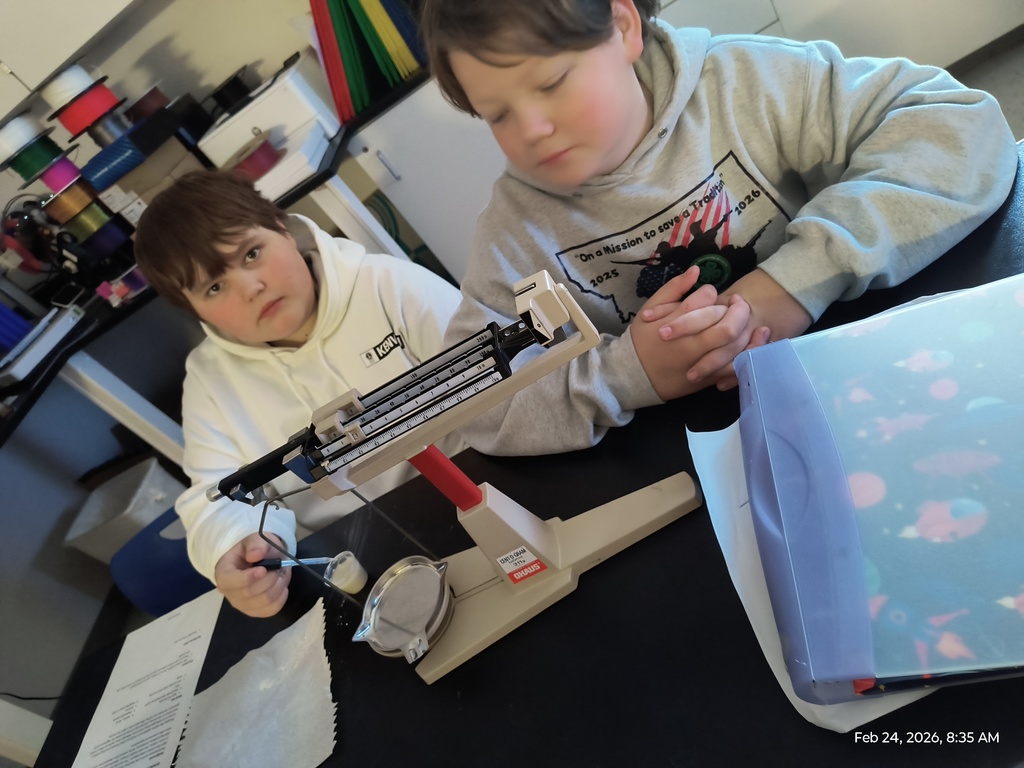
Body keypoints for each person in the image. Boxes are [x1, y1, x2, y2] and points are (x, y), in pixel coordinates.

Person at [418, 0, 1018, 455]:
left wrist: (794, 283)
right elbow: (467, 407)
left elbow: (961, 128)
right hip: (717, 451)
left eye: (550, 83)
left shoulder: (745, 84)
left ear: (624, 26)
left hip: (875, 361)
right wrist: (628, 375)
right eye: (497, 114)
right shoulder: (512, 235)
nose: (532, 128)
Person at [133, 169, 465, 618]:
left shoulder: (390, 287)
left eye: (252, 254)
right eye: (214, 287)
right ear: (195, 311)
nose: (250, 288)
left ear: (282, 229)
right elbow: (214, 497)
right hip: (357, 564)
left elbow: (508, 385)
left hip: (473, 491)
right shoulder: (210, 381)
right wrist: (240, 544)